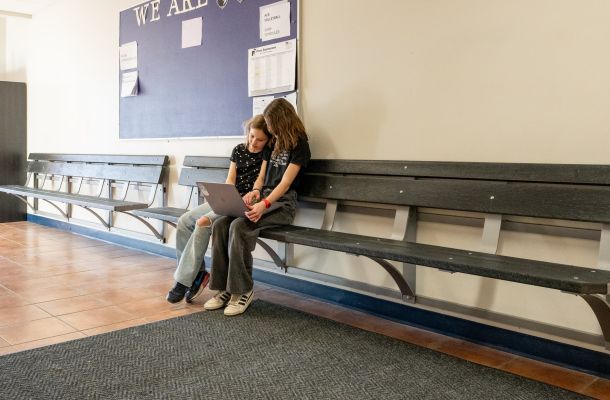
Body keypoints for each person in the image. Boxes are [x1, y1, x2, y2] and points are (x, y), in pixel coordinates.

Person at [204, 98, 310, 316]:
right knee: (221, 224)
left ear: (282, 121)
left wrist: (265, 203)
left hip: (283, 203)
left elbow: (285, 183)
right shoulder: (273, 143)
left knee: (240, 227)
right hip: (264, 198)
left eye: (271, 124)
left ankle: (243, 290)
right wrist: (256, 191)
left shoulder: (300, 145)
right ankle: (225, 289)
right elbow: (262, 177)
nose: (269, 128)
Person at [166, 115, 271, 303]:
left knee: (203, 222)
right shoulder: (238, 150)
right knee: (184, 221)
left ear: (268, 140)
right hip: (229, 197)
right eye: (252, 136)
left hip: (245, 203)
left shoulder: (266, 154)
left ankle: (182, 281)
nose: (254, 142)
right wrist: (227, 193)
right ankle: (198, 275)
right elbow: (231, 178)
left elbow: (260, 181)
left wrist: (252, 194)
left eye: (260, 139)